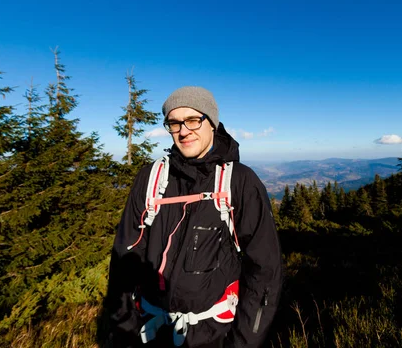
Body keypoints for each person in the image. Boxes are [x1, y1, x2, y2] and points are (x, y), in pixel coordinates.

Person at [105, 86, 283, 347]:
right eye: (174, 123)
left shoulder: (240, 182)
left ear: (211, 122)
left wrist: (243, 343)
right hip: (152, 332)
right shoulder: (151, 179)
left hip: (214, 335)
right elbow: (124, 259)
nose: (183, 130)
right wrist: (125, 330)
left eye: (192, 120)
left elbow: (264, 272)